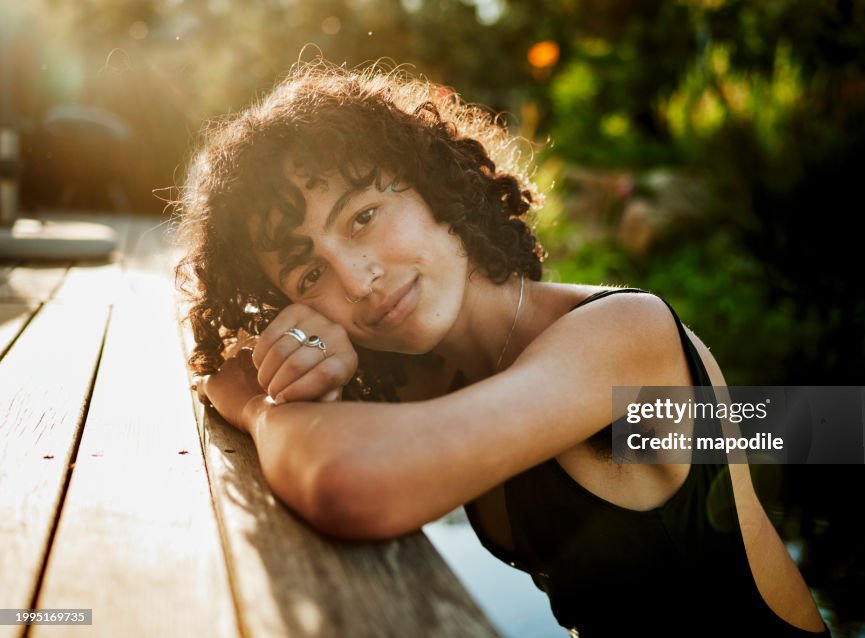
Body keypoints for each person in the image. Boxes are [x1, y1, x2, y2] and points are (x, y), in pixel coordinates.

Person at [177, 60, 829, 636]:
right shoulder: (430, 377)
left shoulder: (628, 333)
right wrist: (303, 376)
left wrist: (260, 408)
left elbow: (348, 480)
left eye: (363, 217)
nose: (357, 280)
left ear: (432, 184)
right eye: (309, 273)